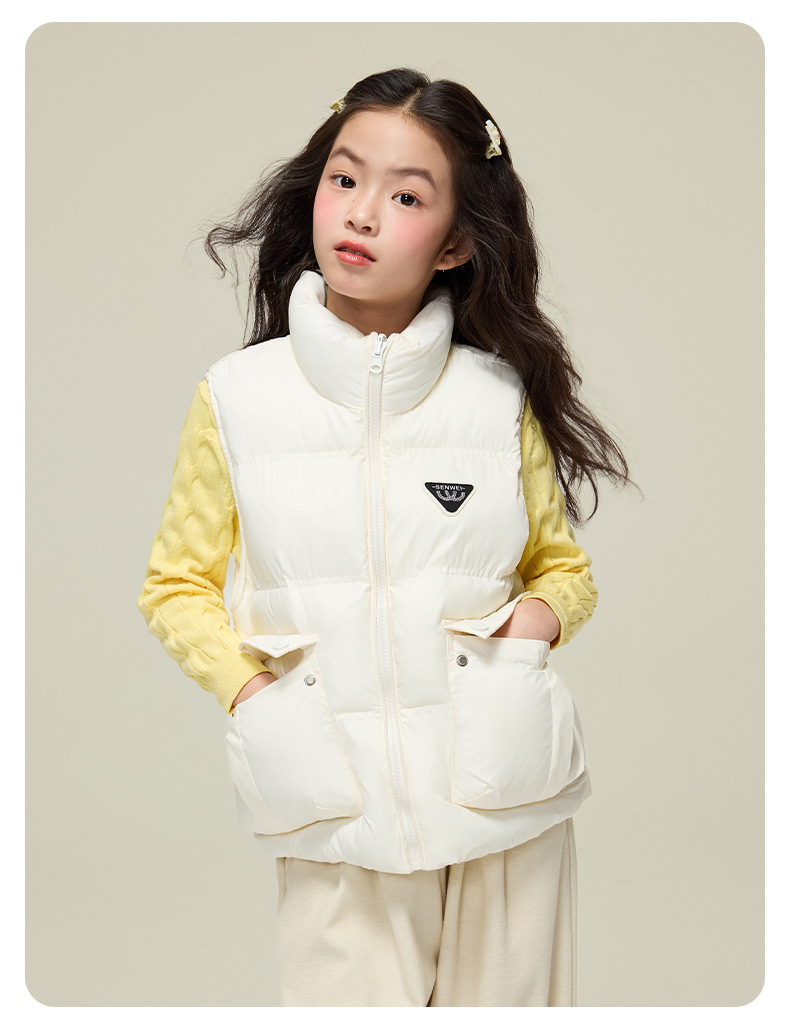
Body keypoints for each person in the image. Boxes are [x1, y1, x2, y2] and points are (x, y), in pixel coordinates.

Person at [138, 68, 631, 1007]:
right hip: (335, 799)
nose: (361, 213)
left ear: (455, 243)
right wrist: (256, 697)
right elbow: (175, 585)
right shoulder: (238, 398)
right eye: (344, 178)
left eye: (406, 196)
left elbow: (562, 572)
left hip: (505, 791)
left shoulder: (495, 397)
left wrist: (526, 633)